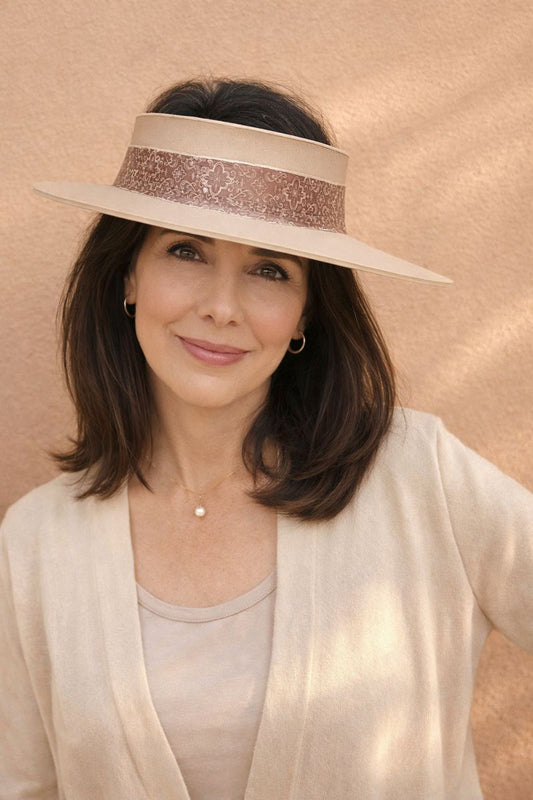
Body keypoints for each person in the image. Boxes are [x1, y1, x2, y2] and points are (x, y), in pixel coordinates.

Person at [0, 78, 531, 800]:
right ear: (128, 275)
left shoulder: (421, 480)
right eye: (186, 251)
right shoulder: (35, 544)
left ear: (307, 309)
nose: (221, 307)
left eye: (269, 269)